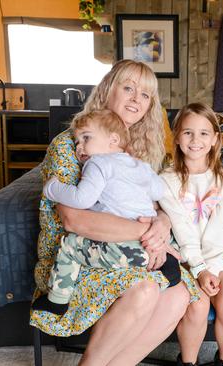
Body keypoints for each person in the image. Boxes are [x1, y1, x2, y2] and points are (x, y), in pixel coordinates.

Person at [30, 60, 200, 366]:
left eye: (146, 94)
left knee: (178, 296)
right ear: (108, 89)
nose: (137, 98)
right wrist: (152, 236)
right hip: (75, 259)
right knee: (145, 290)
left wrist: (161, 222)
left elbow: (157, 202)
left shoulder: (140, 151)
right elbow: (74, 219)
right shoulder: (72, 145)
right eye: (128, 88)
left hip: (129, 250)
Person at [32, 109, 181, 316]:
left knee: (69, 245)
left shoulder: (98, 163)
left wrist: (53, 188)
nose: (80, 146)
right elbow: (159, 190)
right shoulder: (140, 164)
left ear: (113, 139)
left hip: (124, 247)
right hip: (157, 244)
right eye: (77, 142)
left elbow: (82, 199)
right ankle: (166, 263)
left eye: (86, 138)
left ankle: (57, 301)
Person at [157, 103, 223, 366]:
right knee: (198, 304)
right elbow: (182, 228)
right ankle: (188, 362)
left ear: (216, 138)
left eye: (204, 133)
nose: (196, 140)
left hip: (220, 259)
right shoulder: (165, 180)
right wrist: (199, 269)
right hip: (185, 260)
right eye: (188, 133)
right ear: (176, 137)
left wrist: (212, 269)